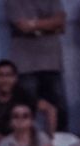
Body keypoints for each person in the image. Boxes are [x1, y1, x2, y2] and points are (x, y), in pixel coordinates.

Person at [5, 0, 68, 130]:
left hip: (52, 62)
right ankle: (28, 143)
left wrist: (33, 24)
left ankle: (60, 144)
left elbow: (60, 23)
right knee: (27, 109)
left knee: (59, 108)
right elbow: (23, 27)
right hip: (25, 65)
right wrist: (49, 26)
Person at [0, 59, 55, 143]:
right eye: (0, 75)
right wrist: (13, 143)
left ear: (15, 78)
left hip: (22, 144)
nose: (5, 80)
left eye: (8, 75)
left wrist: (50, 137)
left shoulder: (23, 95)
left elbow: (50, 109)